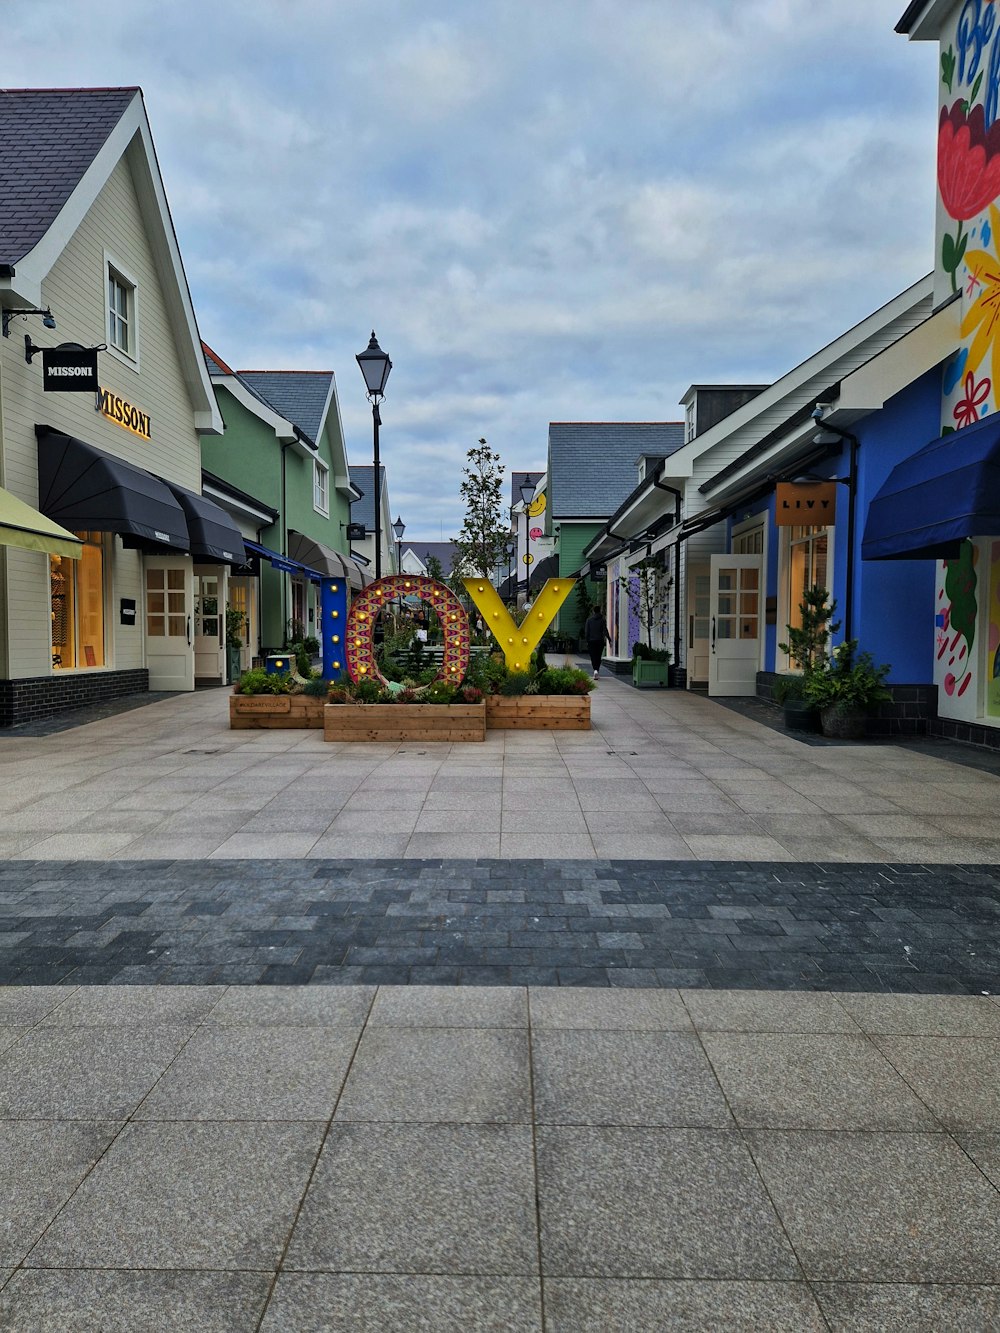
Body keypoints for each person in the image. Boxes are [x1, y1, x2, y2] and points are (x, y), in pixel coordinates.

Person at [584, 608, 610, 679]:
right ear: (600, 611)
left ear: (593, 611)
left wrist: (587, 641)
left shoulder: (589, 620)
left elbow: (587, 632)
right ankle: (596, 670)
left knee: (593, 656)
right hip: (600, 641)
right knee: (598, 656)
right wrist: (609, 639)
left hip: (591, 641)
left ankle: (595, 670)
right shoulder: (602, 620)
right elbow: (605, 630)